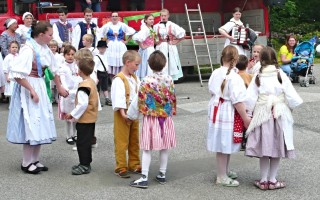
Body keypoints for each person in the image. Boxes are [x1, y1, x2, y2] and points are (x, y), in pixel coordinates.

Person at [244, 46, 303, 190]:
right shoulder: (280, 74)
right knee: (277, 148)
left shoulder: (258, 76)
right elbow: (292, 95)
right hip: (278, 115)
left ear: (262, 59)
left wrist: (249, 113)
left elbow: (250, 98)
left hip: (262, 116)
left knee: (265, 150)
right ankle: (272, 179)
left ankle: (263, 180)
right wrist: (290, 107)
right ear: (275, 58)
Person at [6, 21, 58, 174]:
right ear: (41, 35)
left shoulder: (44, 48)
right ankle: (26, 162)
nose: (51, 37)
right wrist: (32, 91)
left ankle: (35, 159)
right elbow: (17, 75)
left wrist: (59, 87)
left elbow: (53, 70)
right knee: (32, 124)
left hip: (40, 85)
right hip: (29, 87)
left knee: (40, 122)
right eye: (50, 35)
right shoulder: (28, 49)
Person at [128, 50, 176, 189]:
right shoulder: (169, 79)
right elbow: (172, 98)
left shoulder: (146, 80)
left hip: (151, 117)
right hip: (165, 117)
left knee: (147, 147)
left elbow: (139, 100)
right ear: (164, 64)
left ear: (149, 64)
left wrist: (131, 115)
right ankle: (162, 173)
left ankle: (144, 176)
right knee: (164, 147)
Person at [207, 45, 251, 187]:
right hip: (227, 111)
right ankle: (221, 176)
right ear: (236, 59)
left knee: (224, 142)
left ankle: (224, 171)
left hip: (217, 108)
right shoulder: (235, 77)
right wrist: (245, 118)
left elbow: (211, 91)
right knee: (224, 143)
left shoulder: (216, 72)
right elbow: (237, 101)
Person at [65, 58, 99, 175]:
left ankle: (84, 164)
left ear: (81, 71)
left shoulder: (84, 85)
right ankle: (86, 163)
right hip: (91, 117)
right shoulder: (91, 82)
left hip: (85, 119)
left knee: (82, 143)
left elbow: (82, 104)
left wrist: (72, 114)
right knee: (86, 141)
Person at [111, 50, 141, 178]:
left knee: (134, 139)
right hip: (122, 112)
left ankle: (134, 163)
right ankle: (121, 166)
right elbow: (118, 97)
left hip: (133, 112)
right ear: (128, 63)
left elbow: (139, 93)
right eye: (136, 64)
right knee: (121, 140)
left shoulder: (134, 78)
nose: (137, 67)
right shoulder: (119, 79)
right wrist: (123, 114)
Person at [57, 45, 81, 145]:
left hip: (76, 93)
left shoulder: (77, 66)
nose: (70, 56)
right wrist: (67, 90)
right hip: (67, 94)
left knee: (75, 116)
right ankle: (68, 135)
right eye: (68, 54)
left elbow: (79, 78)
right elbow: (63, 80)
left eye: (72, 54)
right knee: (68, 116)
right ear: (64, 55)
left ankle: (75, 134)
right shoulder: (62, 67)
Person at [99, 12, 136, 77]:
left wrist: (126, 41)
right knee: (110, 63)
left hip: (120, 46)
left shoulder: (122, 25)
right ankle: (111, 80)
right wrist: (105, 40)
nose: (114, 17)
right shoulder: (107, 25)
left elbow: (132, 32)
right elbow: (100, 33)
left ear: (118, 17)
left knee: (120, 62)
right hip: (110, 46)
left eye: (116, 16)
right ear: (111, 17)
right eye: (113, 16)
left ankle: (120, 77)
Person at [153, 9, 185, 81]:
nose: (163, 17)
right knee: (161, 62)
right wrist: (156, 42)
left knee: (171, 64)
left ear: (168, 16)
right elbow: (153, 38)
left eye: (165, 15)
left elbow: (182, 34)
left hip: (170, 46)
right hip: (160, 47)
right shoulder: (156, 26)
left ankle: (170, 83)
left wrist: (176, 42)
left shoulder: (172, 25)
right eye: (162, 15)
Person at [132, 14, 155, 80]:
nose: (152, 21)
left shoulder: (150, 28)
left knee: (148, 64)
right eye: (150, 19)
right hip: (147, 50)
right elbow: (136, 37)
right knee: (146, 64)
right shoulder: (145, 29)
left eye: (152, 19)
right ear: (145, 21)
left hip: (151, 49)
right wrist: (142, 46)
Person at [94, 40, 112, 106]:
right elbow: (95, 68)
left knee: (105, 86)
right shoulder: (96, 57)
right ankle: (97, 100)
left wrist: (108, 71)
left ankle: (107, 98)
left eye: (104, 48)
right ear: (98, 48)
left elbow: (107, 64)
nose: (103, 49)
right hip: (99, 73)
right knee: (97, 88)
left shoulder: (106, 55)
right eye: (101, 48)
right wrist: (95, 77)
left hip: (105, 72)